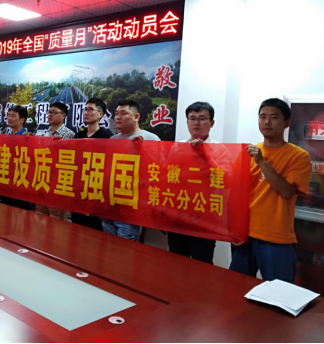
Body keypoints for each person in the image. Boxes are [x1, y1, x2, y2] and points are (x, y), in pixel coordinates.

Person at [230, 98, 311, 283]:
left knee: (279, 293)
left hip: (276, 237)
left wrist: (262, 162)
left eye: (274, 117)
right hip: (244, 234)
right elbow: (235, 194)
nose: (267, 122)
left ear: (287, 123)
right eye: (262, 117)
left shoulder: (298, 156)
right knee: (236, 288)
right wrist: (233, 228)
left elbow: (287, 192)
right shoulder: (247, 152)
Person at [168, 102, 218, 264]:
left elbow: (226, 179)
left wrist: (205, 154)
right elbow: (166, 179)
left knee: (201, 262)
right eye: (192, 118)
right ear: (187, 122)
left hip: (205, 216)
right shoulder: (178, 147)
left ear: (211, 123)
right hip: (178, 213)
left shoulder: (220, 149)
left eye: (202, 118)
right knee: (176, 260)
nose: (196, 123)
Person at [103, 100, 160, 241]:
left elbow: (158, 171)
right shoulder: (112, 140)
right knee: (106, 248)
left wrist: (142, 149)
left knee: (123, 251)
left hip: (131, 209)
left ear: (136, 117)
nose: (118, 117)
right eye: (116, 113)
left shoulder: (150, 139)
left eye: (123, 113)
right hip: (109, 206)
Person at [73, 98, 113, 231]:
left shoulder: (107, 137)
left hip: (97, 189)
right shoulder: (78, 136)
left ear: (100, 114)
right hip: (79, 188)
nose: (86, 113)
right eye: (85, 109)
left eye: (90, 110)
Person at [35, 102, 74, 219]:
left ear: (63, 116)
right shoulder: (45, 133)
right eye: (49, 112)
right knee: (40, 216)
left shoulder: (69, 135)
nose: (50, 115)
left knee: (57, 219)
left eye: (54, 112)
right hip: (43, 181)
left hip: (58, 183)